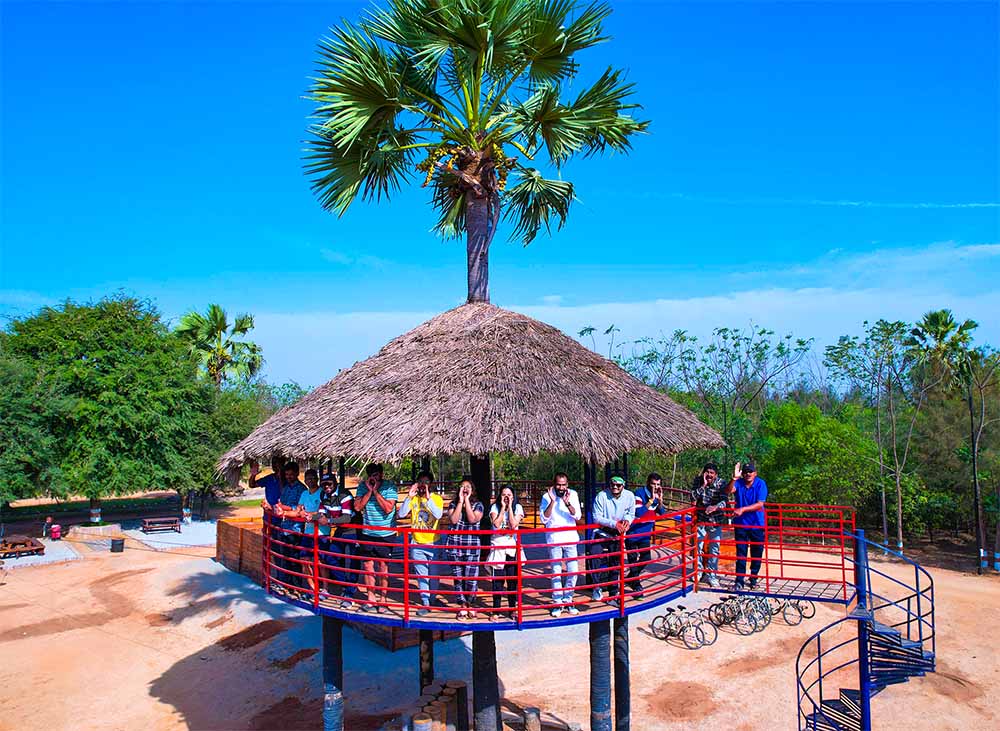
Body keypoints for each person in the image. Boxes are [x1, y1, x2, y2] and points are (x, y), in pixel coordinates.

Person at [398, 470, 443, 616]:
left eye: (426, 483)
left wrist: (428, 497)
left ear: (432, 484)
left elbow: (438, 515)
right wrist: (409, 496)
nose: (423, 486)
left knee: (434, 574)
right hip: (417, 542)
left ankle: (433, 597)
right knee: (421, 574)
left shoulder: (436, 498)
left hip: (433, 543)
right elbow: (402, 514)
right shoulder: (414, 499)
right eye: (421, 482)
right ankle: (426, 601)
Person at [354, 463, 398, 612]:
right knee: (367, 566)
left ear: (381, 474)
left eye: (377, 474)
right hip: (368, 533)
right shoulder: (362, 486)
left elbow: (388, 509)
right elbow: (358, 507)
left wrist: (376, 492)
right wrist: (369, 491)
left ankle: (383, 599)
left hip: (386, 533)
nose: (375, 476)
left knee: (383, 567)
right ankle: (370, 598)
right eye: (372, 474)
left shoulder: (390, 486)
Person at [539, 472, 582, 617]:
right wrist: (552, 501)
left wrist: (567, 502)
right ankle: (558, 603)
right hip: (554, 539)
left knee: (573, 571)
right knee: (556, 573)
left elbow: (577, 516)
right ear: (554, 484)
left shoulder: (573, 495)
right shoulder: (546, 497)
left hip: (570, 538)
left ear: (567, 485)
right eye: (559, 484)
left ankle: (568, 600)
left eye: (564, 484)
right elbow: (544, 519)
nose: (561, 487)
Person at [315, 472, 359, 605]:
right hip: (340, 529)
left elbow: (346, 518)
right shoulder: (323, 495)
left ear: (335, 483)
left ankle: (349, 593)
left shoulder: (344, 495)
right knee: (331, 557)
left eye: (329, 484)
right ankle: (347, 586)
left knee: (353, 562)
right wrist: (311, 517)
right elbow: (320, 513)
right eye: (324, 485)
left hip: (354, 530)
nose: (327, 487)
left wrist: (328, 520)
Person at [592, 475, 636, 605]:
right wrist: (614, 524)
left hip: (618, 533)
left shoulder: (629, 496)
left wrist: (627, 521)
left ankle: (613, 594)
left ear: (623, 485)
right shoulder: (601, 496)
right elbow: (596, 517)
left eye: (618, 485)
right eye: (612, 485)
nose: (615, 487)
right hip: (602, 531)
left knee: (615, 563)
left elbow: (631, 513)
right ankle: (596, 586)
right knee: (594, 557)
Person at [446, 477, 484, 619]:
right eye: (463, 486)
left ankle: (471, 604)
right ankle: (462, 604)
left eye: (468, 486)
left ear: (472, 490)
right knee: (458, 577)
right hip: (455, 545)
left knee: (471, 577)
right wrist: (460, 501)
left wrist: (467, 501)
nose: (465, 489)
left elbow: (473, 519)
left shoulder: (478, 505)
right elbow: (454, 520)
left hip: (472, 545)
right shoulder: (452, 504)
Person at [486, 484, 524, 620]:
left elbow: (513, 525)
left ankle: (512, 609)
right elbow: (496, 524)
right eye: (504, 495)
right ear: (499, 496)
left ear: (513, 496)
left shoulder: (518, 507)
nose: (506, 497)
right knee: (498, 581)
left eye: (509, 495)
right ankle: (496, 610)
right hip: (498, 547)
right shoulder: (494, 507)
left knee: (512, 581)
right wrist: (503, 508)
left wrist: (511, 508)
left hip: (512, 548)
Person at [625, 473, 668, 596]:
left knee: (646, 559)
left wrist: (660, 501)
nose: (655, 486)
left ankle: (631, 578)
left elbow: (662, 513)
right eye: (653, 484)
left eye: (658, 484)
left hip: (645, 533)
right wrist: (651, 500)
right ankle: (636, 586)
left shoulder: (656, 495)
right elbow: (639, 512)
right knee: (633, 561)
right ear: (648, 483)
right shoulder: (638, 494)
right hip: (633, 532)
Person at [729, 461, 768, 590]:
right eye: (745, 472)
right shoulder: (738, 483)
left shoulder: (760, 484)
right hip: (741, 525)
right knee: (741, 554)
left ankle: (753, 579)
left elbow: (760, 504)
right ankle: (739, 580)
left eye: (750, 471)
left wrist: (743, 509)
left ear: (755, 473)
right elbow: (728, 491)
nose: (747, 474)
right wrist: (733, 478)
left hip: (757, 524)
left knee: (756, 554)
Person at [691, 462, 729, 588]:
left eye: (712, 473)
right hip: (701, 519)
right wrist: (703, 485)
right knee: (698, 546)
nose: (709, 475)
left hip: (716, 520)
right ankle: (698, 572)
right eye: (707, 472)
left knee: (714, 549)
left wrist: (715, 507)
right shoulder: (698, 480)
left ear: (716, 474)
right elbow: (692, 497)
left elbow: (725, 501)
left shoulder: (721, 483)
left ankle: (712, 575)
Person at [272, 462, 305, 586]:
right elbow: (282, 503)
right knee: (285, 558)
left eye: (291, 474)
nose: (289, 477)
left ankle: (298, 586)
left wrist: (283, 507)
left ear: (297, 474)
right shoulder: (285, 488)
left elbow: (298, 508)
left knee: (294, 560)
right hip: (284, 527)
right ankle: (287, 584)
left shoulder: (301, 489)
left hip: (295, 529)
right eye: (287, 474)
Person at [293, 469, 324, 596]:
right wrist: (300, 512)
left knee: (321, 561)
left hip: (321, 532)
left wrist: (309, 514)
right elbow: (298, 509)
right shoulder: (304, 494)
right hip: (308, 531)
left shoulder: (322, 492)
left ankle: (323, 587)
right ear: (305, 480)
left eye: (312, 478)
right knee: (304, 559)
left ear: (316, 479)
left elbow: (323, 511)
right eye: (308, 479)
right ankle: (313, 588)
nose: (310, 481)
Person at [252, 455, 286, 524]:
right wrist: (253, 475)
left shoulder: (288, 478)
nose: (274, 465)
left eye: (277, 462)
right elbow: (252, 485)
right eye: (273, 463)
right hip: (269, 515)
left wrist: (280, 476)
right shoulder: (269, 478)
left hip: (282, 516)